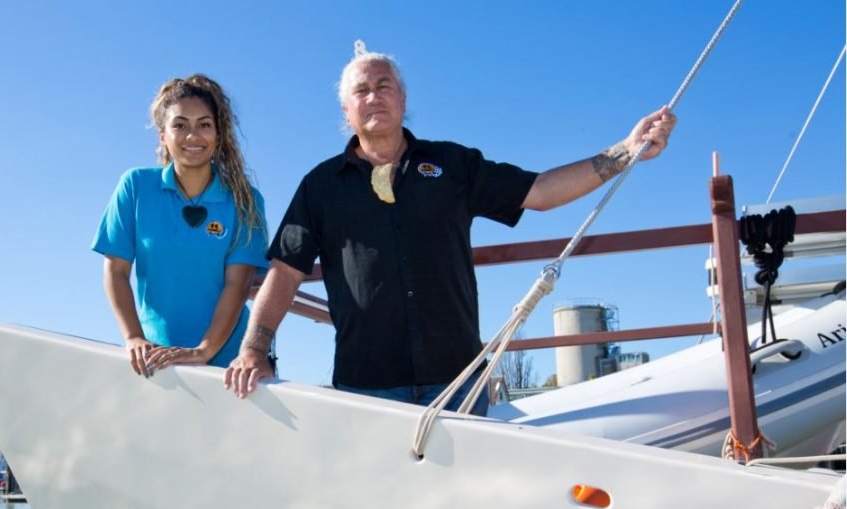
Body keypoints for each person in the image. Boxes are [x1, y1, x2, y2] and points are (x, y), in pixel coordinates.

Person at [225, 42, 676, 415]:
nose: (374, 96)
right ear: (346, 110)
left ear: (403, 99)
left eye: (384, 86)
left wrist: (625, 151)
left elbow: (540, 191)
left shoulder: (453, 164)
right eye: (361, 90)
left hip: (459, 382)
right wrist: (254, 350)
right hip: (366, 388)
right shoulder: (320, 186)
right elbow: (285, 271)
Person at [93, 75, 268, 377]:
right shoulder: (135, 186)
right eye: (180, 125)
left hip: (230, 365)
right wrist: (134, 338)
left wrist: (203, 351)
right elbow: (116, 271)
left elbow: (238, 284)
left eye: (204, 125)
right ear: (163, 135)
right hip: (155, 360)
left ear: (219, 135)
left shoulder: (246, 200)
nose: (192, 136)